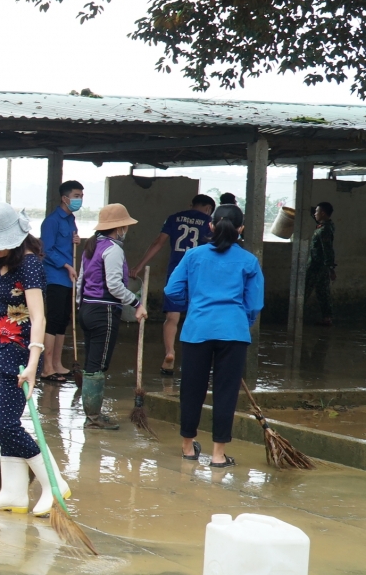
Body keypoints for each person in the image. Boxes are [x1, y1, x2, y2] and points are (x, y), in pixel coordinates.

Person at [0, 203, 67, 516]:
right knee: (0, 425)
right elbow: (2, 311)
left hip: (20, 354)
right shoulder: (3, 266)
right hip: (0, 348)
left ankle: (54, 482)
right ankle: (13, 492)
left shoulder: (29, 265)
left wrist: (33, 362)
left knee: (8, 424)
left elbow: (38, 317)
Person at [164, 205, 264, 467]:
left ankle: (187, 448)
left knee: (191, 389)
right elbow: (254, 304)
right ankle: (218, 455)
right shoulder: (249, 261)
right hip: (233, 332)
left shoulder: (193, 256)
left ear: (210, 226)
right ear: (240, 229)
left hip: (197, 329)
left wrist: (194, 305)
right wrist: (243, 321)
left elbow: (172, 290)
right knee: (225, 392)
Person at [75, 203, 147, 429]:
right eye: (125, 226)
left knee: (91, 361)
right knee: (98, 364)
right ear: (119, 228)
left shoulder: (93, 245)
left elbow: (80, 280)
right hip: (104, 311)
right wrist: (138, 303)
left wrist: (80, 304)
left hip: (87, 308)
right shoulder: (113, 249)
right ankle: (93, 418)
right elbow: (115, 286)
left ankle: (92, 415)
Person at [135, 194, 216, 374]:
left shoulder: (174, 218)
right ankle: (196, 358)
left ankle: (170, 352)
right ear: (209, 209)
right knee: (198, 315)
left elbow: (158, 243)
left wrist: (139, 266)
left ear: (191, 205)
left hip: (177, 273)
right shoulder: (210, 222)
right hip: (200, 275)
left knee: (172, 318)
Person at [38, 181, 83, 383]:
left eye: (81, 195)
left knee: (64, 320)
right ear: (65, 198)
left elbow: (64, 244)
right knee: (54, 319)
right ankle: (46, 367)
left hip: (68, 278)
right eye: (76, 195)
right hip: (55, 277)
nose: (79, 199)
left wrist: (75, 242)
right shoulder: (52, 221)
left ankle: (57, 363)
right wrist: (66, 265)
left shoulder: (71, 220)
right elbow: (46, 250)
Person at [306, 201, 336, 327]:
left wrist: (330, 267)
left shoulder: (324, 230)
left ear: (323, 213)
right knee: (322, 292)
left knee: (305, 291)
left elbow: (327, 249)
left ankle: (294, 316)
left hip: (317, 267)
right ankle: (327, 318)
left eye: (317, 212)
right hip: (318, 266)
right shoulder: (326, 226)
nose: (315, 214)